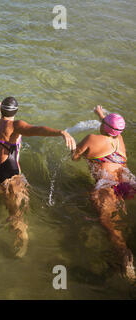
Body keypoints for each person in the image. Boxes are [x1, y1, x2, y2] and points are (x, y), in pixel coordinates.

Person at [0, 97, 76, 257]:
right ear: (16, 111)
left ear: (2, 111)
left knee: (2, 207)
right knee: (16, 214)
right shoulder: (15, 125)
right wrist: (60, 132)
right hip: (10, 175)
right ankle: (22, 243)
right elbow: (38, 130)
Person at [71, 105, 135, 281]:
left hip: (107, 187)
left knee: (110, 228)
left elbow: (74, 157)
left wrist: (74, 147)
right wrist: (101, 114)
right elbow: (110, 130)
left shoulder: (92, 138)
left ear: (104, 127)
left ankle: (124, 255)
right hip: (126, 184)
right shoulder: (119, 139)